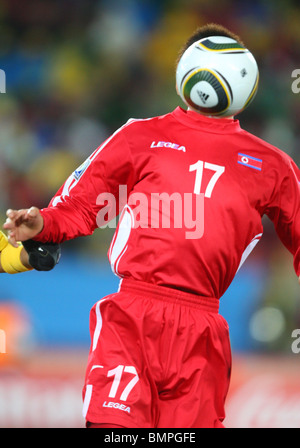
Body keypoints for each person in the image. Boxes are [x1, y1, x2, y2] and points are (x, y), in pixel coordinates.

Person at [2, 23, 300, 428]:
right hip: (132, 316)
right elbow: (81, 205)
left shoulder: (274, 167)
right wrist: (45, 223)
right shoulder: (140, 135)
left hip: (202, 331)